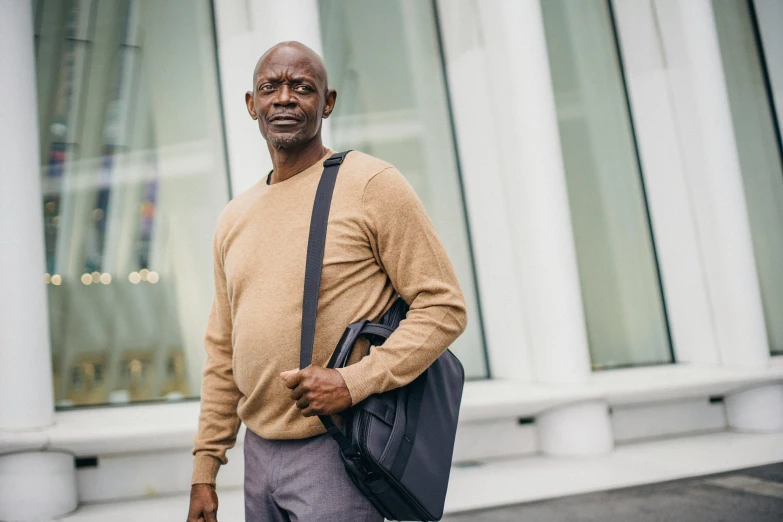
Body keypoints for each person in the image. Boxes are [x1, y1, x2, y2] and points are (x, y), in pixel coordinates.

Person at [186, 41, 467, 522]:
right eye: (270, 87)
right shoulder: (234, 217)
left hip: (335, 449)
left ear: (328, 102)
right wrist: (205, 468)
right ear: (251, 105)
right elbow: (223, 350)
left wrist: (352, 382)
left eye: (302, 87)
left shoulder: (371, 183)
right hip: (258, 457)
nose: (285, 98)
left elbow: (443, 308)